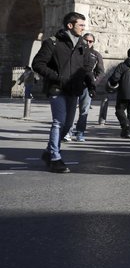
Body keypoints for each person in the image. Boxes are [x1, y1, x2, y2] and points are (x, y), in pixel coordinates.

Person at [32, 11, 95, 173]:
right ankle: (55, 158)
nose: (83, 28)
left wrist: (91, 84)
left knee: (68, 125)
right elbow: (38, 64)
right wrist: (57, 77)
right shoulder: (52, 43)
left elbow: (86, 67)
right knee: (59, 122)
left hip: (74, 89)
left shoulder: (83, 44)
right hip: (57, 88)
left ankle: (48, 151)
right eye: (80, 25)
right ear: (70, 25)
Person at [70, 33, 104, 142]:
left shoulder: (96, 54)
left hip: (87, 86)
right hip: (74, 84)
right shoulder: (75, 52)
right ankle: (68, 131)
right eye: (86, 40)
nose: (88, 43)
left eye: (91, 41)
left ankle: (80, 132)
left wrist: (94, 82)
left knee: (84, 110)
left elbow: (101, 71)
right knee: (70, 109)